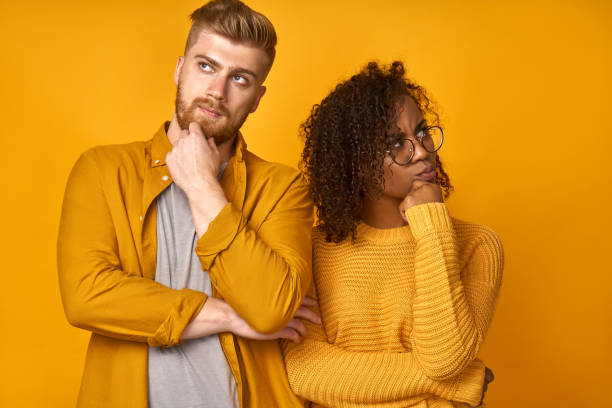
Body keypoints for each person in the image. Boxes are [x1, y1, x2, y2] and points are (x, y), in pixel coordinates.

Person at [57, 1, 318, 407]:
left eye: (240, 78)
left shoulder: (283, 187)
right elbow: (85, 296)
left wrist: (202, 186)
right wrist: (230, 315)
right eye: (207, 66)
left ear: (257, 98)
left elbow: (269, 310)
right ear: (181, 68)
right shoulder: (103, 170)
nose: (217, 91)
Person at [283, 61, 503, 407]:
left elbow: (445, 358)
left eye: (421, 133)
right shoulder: (314, 249)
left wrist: (432, 224)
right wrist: (461, 381)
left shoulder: (478, 245)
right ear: (355, 162)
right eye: (395, 143)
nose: (422, 151)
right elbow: (306, 372)